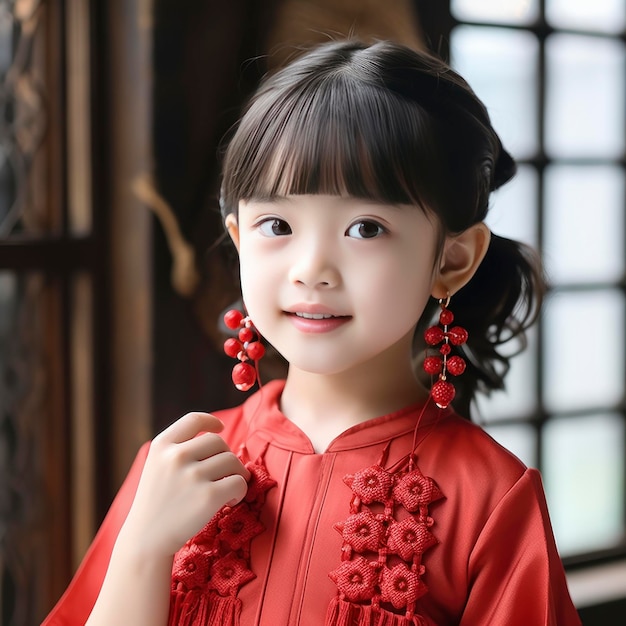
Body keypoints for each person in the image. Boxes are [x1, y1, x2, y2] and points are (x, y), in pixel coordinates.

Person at [43, 40, 581, 626]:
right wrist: (144, 550)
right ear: (240, 238)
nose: (311, 270)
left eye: (365, 228)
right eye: (277, 224)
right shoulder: (175, 465)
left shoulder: (492, 498)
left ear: (452, 259)